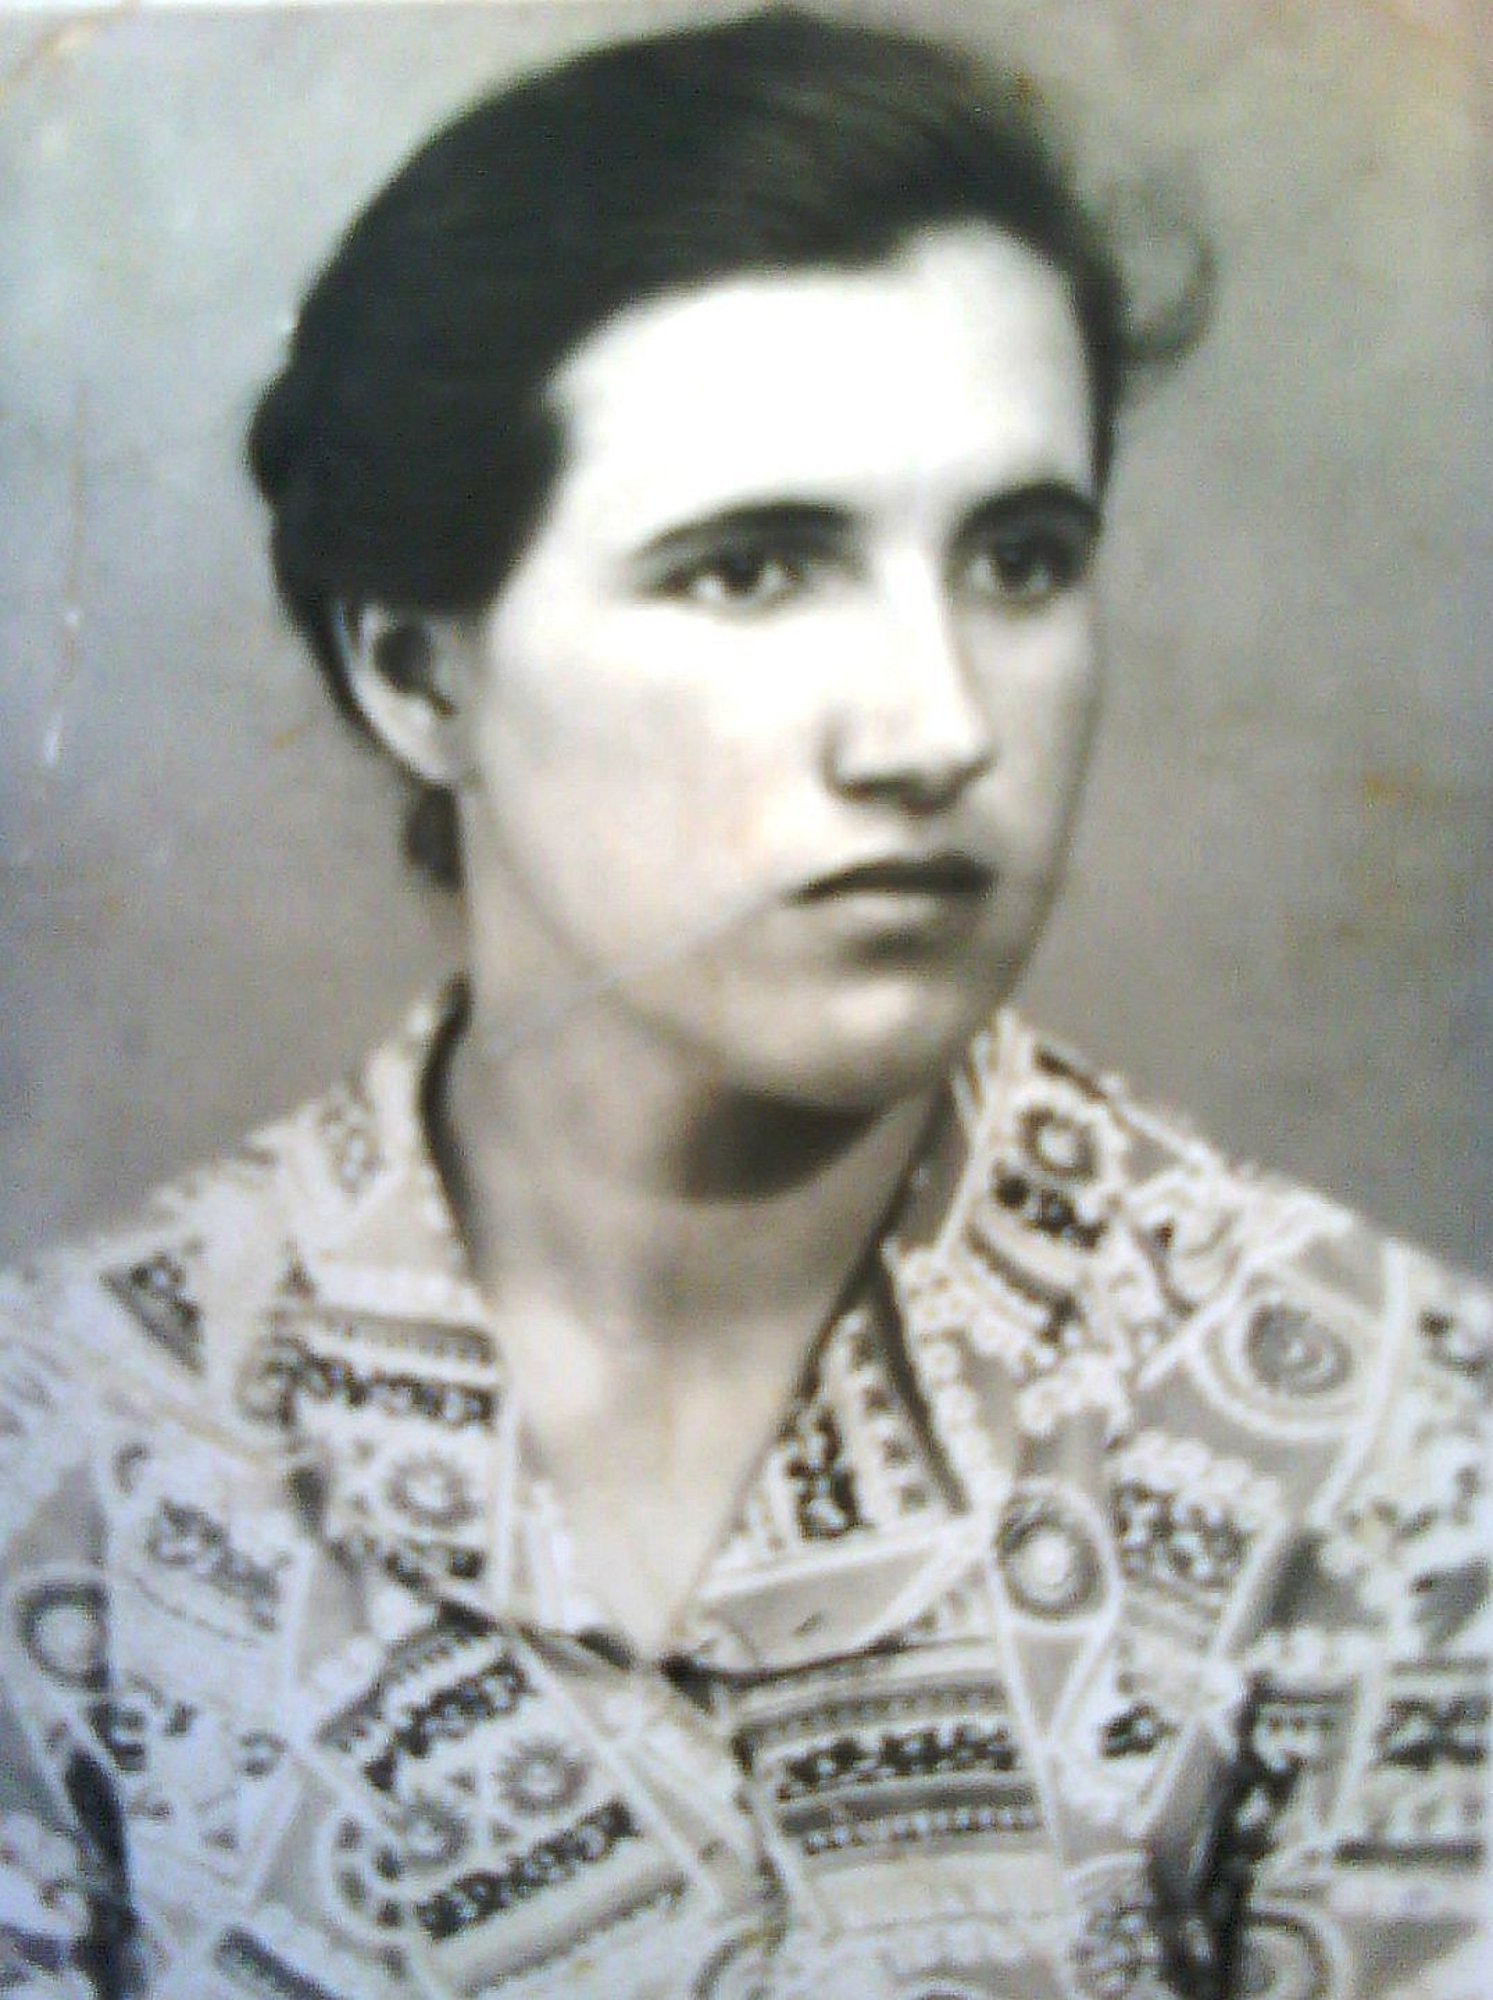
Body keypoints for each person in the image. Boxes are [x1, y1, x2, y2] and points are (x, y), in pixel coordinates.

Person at [0, 10, 1485, 1999]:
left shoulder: (1386, 1442)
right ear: (417, 677)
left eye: (1020, 558)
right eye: (753, 570)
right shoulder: (70, 1462)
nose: (937, 729)